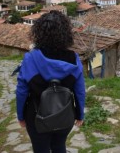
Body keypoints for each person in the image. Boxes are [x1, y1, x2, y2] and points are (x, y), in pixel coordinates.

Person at [16, 10, 85, 153]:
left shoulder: (31, 58)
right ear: (66, 33)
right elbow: (80, 91)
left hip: (36, 117)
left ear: (39, 33)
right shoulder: (74, 58)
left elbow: (21, 91)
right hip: (65, 114)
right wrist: (80, 114)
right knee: (59, 146)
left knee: (40, 149)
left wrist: (21, 116)